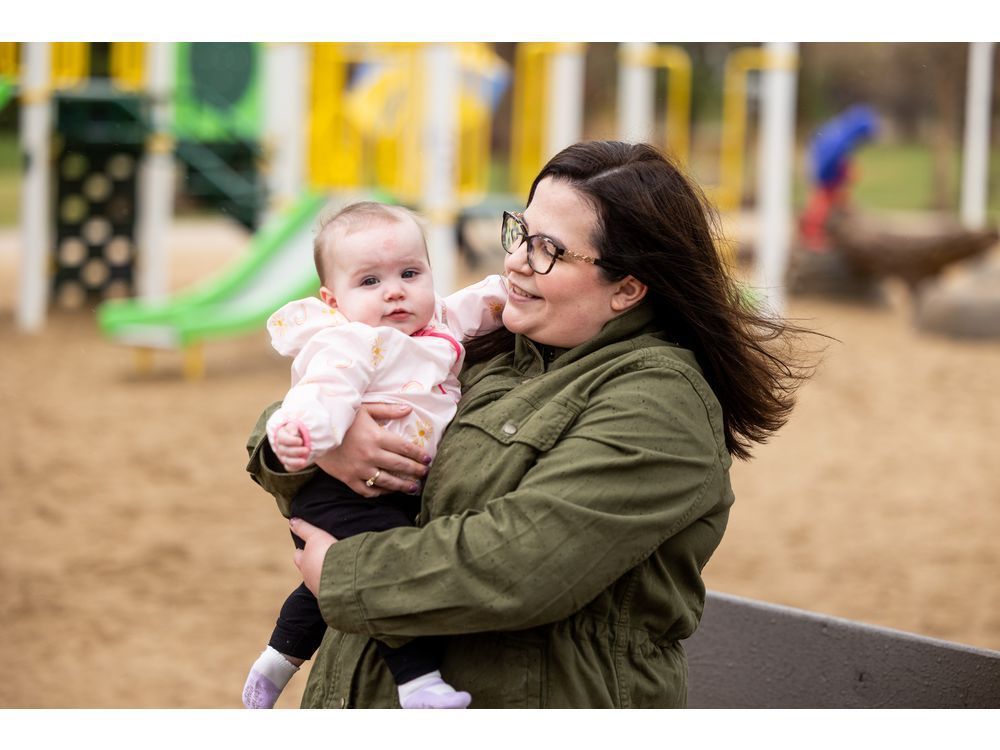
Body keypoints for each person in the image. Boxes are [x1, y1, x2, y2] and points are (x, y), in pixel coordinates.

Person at [245, 141, 813, 708]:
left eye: (550, 250)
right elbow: (311, 399)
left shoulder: (658, 404)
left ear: (627, 288)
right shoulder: (489, 346)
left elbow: (518, 567)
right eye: (521, 232)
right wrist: (327, 443)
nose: (515, 261)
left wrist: (343, 576)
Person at [242, 201, 507, 710]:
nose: (394, 291)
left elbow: (484, 300)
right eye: (370, 281)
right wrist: (308, 432)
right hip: (337, 488)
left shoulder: (441, 322)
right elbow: (326, 389)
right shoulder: (351, 340)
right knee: (386, 564)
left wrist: (512, 291)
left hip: (389, 487)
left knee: (325, 584)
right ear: (333, 299)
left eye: (411, 273)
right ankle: (418, 684)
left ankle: (276, 660)